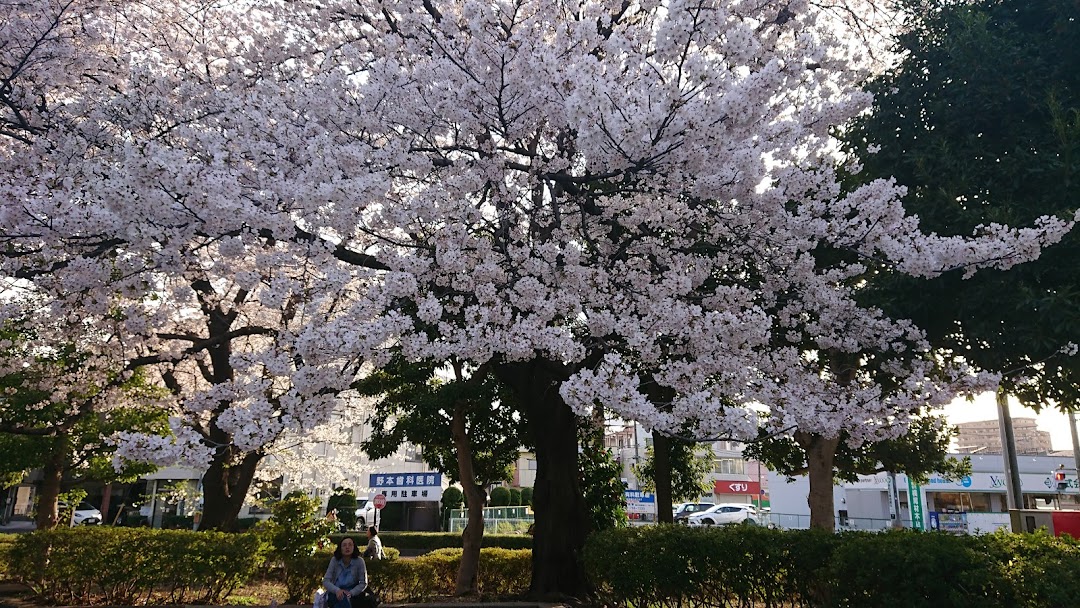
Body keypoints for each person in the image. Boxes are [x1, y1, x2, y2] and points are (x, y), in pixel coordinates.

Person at [323, 536, 367, 608]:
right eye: (344, 545)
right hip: (335, 593)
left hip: (352, 593)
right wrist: (337, 590)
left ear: (354, 547)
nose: (347, 547)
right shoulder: (334, 560)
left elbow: (363, 583)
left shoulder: (359, 561)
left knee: (343, 600)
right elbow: (326, 581)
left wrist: (351, 593)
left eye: (350, 545)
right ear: (340, 548)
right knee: (342, 598)